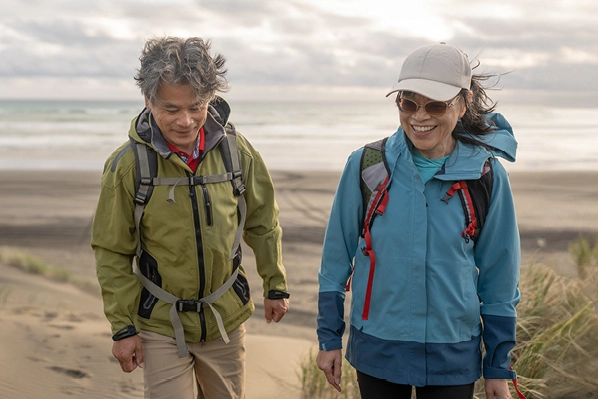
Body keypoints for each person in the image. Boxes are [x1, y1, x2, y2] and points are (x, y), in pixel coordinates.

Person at [316, 43, 521, 399]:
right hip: (378, 346)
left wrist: (498, 366)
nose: (419, 116)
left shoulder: (486, 175)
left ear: (463, 102)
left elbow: (500, 277)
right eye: (408, 102)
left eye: (435, 104)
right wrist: (329, 337)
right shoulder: (366, 165)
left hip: (452, 352)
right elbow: (335, 258)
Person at [91, 36, 290, 398]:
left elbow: (263, 221)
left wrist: (275, 283)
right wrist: (123, 328)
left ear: (209, 99)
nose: (186, 120)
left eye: (196, 106)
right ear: (148, 101)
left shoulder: (237, 151)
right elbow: (111, 251)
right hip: (160, 324)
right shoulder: (127, 166)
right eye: (171, 108)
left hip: (225, 317)